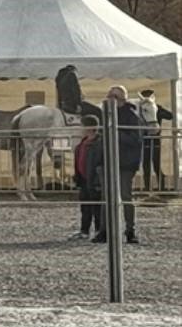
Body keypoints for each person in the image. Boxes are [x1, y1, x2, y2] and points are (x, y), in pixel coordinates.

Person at [93, 86, 143, 245]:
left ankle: (130, 230)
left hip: (125, 163)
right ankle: (104, 231)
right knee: (105, 198)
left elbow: (135, 139)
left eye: (113, 96)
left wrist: (115, 132)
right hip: (106, 162)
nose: (109, 98)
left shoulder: (132, 117)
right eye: (108, 95)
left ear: (122, 99)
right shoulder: (103, 116)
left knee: (125, 196)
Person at [137, 89, 173, 192]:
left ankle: (161, 187)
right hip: (145, 139)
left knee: (156, 164)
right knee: (146, 165)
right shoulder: (141, 110)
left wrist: (157, 109)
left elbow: (170, 116)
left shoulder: (157, 108)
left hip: (155, 139)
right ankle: (147, 187)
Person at [73, 116, 102, 240]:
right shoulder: (82, 144)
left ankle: (99, 230)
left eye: (81, 126)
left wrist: (98, 179)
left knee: (97, 207)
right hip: (84, 179)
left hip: (94, 180)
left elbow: (100, 162)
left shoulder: (99, 144)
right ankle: (84, 230)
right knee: (85, 207)